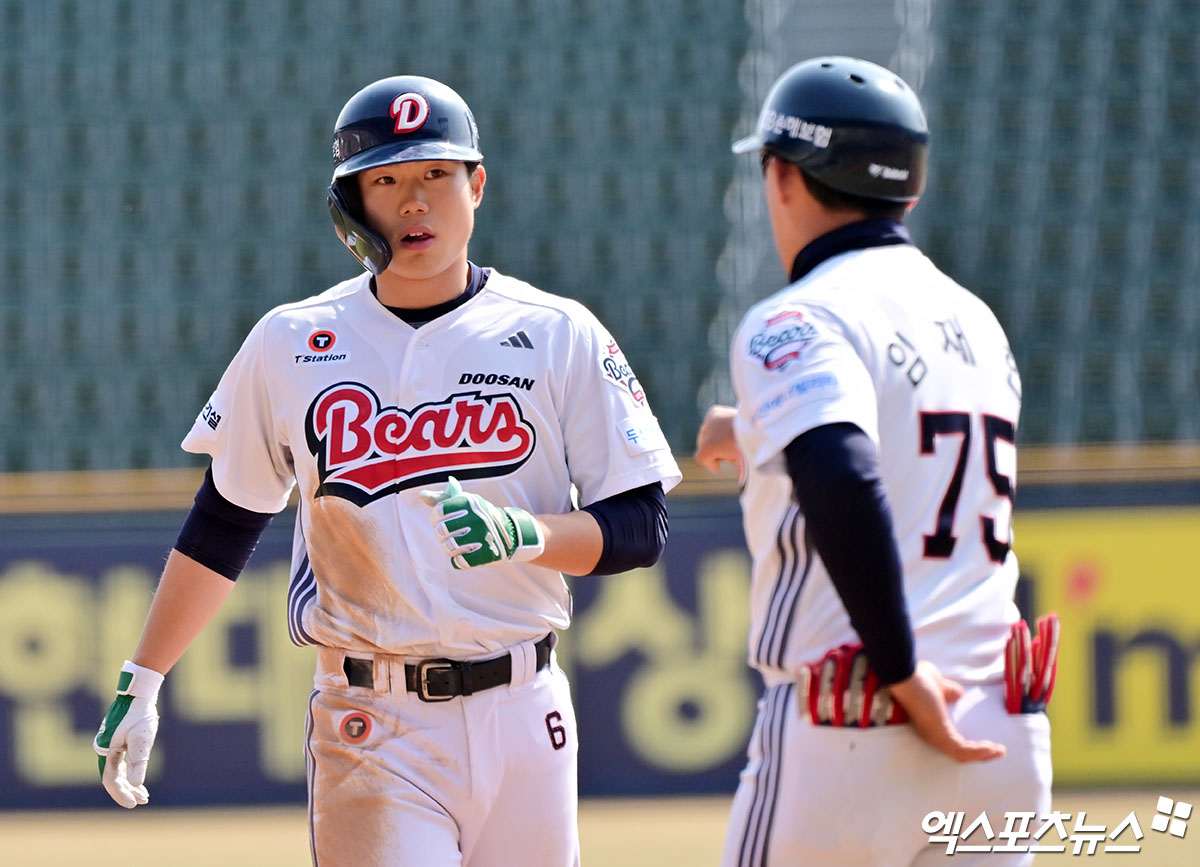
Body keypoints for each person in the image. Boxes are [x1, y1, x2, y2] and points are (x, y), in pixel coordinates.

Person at [94, 74, 681, 866]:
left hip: (528, 711)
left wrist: (528, 533)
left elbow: (641, 524)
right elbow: (225, 519)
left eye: (436, 174)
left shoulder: (557, 333)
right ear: (351, 206)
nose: (414, 201)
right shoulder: (293, 341)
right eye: (386, 180)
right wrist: (143, 675)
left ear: (477, 185)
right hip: (373, 721)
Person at [695, 57, 1053, 866]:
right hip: (1002, 719)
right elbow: (902, 447)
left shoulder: (798, 317)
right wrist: (751, 427)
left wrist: (901, 668)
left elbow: (843, 474)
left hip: (859, 707)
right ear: (910, 192)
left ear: (782, 176)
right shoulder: (977, 320)